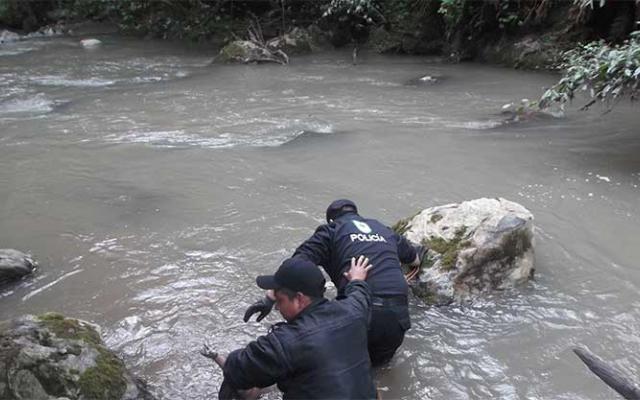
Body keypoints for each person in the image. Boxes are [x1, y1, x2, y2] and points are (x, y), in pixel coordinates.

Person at [244, 199, 421, 367]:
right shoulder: (383, 229)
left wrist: (270, 297)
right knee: (378, 370)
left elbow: (295, 267)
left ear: (331, 220)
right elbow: (414, 260)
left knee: (336, 371)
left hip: (360, 314)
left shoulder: (331, 231)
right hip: (398, 319)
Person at [220, 256, 377, 400]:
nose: (277, 308)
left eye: (280, 301)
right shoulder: (354, 311)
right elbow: (359, 292)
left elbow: (236, 370)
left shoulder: (287, 341)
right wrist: (356, 278)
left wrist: (231, 359)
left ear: (299, 299)